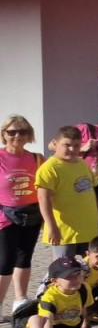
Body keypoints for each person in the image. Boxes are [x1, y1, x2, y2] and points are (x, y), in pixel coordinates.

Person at [0, 115, 43, 317]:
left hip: (31, 214)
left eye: (23, 131)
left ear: (29, 135)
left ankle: (20, 300)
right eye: (12, 132)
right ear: (4, 134)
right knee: (5, 261)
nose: (17, 135)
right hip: (5, 216)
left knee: (24, 258)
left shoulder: (36, 158)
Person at [36, 126, 98, 259]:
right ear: (55, 143)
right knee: (64, 268)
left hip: (88, 229)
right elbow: (43, 199)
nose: (72, 149)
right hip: (64, 231)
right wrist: (52, 226)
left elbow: (91, 190)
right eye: (67, 145)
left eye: (76, 145)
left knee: (91, 267)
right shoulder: (49, 168)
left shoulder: (82, 163)